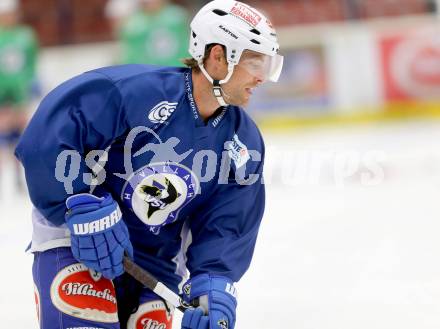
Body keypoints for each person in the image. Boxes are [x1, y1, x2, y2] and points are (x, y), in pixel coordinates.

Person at [15, 1, 283, 328]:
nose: (262, 77)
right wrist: (78, 205)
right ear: (218, 56)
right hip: (78, 244)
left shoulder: (244, 141)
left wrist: (213, 286)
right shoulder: (137, 91)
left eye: (267, 64)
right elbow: (52, 134)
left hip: (155, 268)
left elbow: (226, 223)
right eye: (255, 62)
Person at [0, 0, 38, 192]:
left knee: (19, 136)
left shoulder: (25, 35)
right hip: (1, 93)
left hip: (19, 93)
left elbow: (31, 64)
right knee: (3, 135)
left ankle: (18, 178)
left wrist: (29, 88)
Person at [117, 0, 189, 66]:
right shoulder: (133, 25)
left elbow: (185, 42)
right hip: (148, 73)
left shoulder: (176, 16)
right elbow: (130, 53)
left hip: (178, 69)